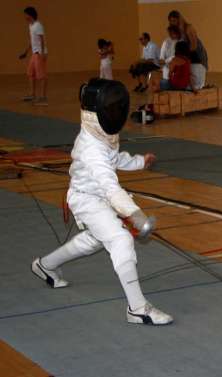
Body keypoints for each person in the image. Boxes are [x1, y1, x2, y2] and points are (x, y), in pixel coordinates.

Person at [31, 78, 173, 326]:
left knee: (95, 240)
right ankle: (137, 308)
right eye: (110, 108)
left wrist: (140, 162)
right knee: (120, 239)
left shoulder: (102, 136)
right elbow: (110, 187)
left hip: (95, 196)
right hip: (87, 200)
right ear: (96, 113)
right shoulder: (91, 147)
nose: (115, 113)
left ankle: (45, 265)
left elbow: (114, 160)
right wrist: (136, 216)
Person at [168, 10, 208, 89]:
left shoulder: (188, 28)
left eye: (174, 20)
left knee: (197, 78)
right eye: (171, 21)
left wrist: (183, 58)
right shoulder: (177, 30)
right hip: (187, 55)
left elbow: (194, 45)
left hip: (197, 54)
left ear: (179, 19)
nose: (173, 23)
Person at [19, 7, 48, 106]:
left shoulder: (37, 25)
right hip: (34, 54)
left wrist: (43, 53)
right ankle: (32, 94)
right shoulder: (30, 26)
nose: (25, 16)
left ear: (30, 15)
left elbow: (42, 40)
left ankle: (43, 97)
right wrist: (26, 52)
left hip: (39, 53)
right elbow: (32, 41)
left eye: (26, 14)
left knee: (41, 76)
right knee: (30, 73)